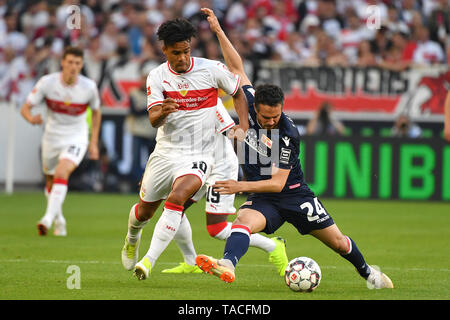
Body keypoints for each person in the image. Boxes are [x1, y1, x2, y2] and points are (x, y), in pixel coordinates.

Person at [195, 9, 394, 290]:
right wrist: (217, 30)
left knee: (337, 242)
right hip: (264, 199)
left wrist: (238, 185)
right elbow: (236, 67)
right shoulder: (249, 101)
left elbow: (277, 184)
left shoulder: (287, 133)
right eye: (266, 117)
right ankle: (227, 264)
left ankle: (369, 274)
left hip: (293, 194)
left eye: (276, 116)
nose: (271, 121)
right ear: (257, 107)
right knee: (242, 221)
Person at [120, 17, 250, 280]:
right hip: (166, 152)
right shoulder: (157, 76)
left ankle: (148, 261)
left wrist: (244, 127)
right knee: (144, 212)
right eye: (176, 52)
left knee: (178, 198)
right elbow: (153, 117)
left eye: (186, 50)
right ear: (165, 50)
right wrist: (163, 112)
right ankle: (133, 236)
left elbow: (237, 91)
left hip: (198, 155)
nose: (182, 57)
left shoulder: (211, 69)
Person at [160, 98, 289, 277]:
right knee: (175, 206)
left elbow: (234, 133)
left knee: (217, 229)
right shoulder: (181, 97)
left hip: (220, 167)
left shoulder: (209, 99)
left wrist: (240, 167)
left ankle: (273, 246)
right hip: (198, 164)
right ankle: (190, 262)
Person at [20, 46, 102, 236]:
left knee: (62, 171)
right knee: (50, 180)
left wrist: (93, 142)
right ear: (63, 62)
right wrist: (31, 119)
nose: (74, 66)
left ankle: (46, 219)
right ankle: (59, 219)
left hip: (77, 136)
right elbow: (26, 108)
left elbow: (97, 114)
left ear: (81, 65)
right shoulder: (47, 83)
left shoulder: (89, 87)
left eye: (78, 63)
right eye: (70, 62)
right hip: (51, 137)